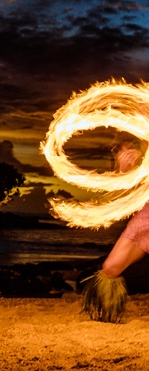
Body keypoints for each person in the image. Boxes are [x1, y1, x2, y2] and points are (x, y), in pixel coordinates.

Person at [82, 135, 148, 323]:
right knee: (111, 267)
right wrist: (124, 170)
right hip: (145, 219)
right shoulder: (137, 156)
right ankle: (107, 314)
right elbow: (125, 197)